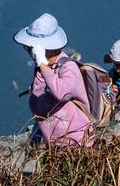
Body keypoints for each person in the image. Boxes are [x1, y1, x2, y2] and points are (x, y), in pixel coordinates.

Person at [16, 13, 93, 148]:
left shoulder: (68, 67)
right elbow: (42, 100)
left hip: (76, 142)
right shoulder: (42, 68)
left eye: (30, 47)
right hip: (54, 143)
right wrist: (37, 133)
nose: (28, 50)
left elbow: (61, 93)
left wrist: (42, 65)